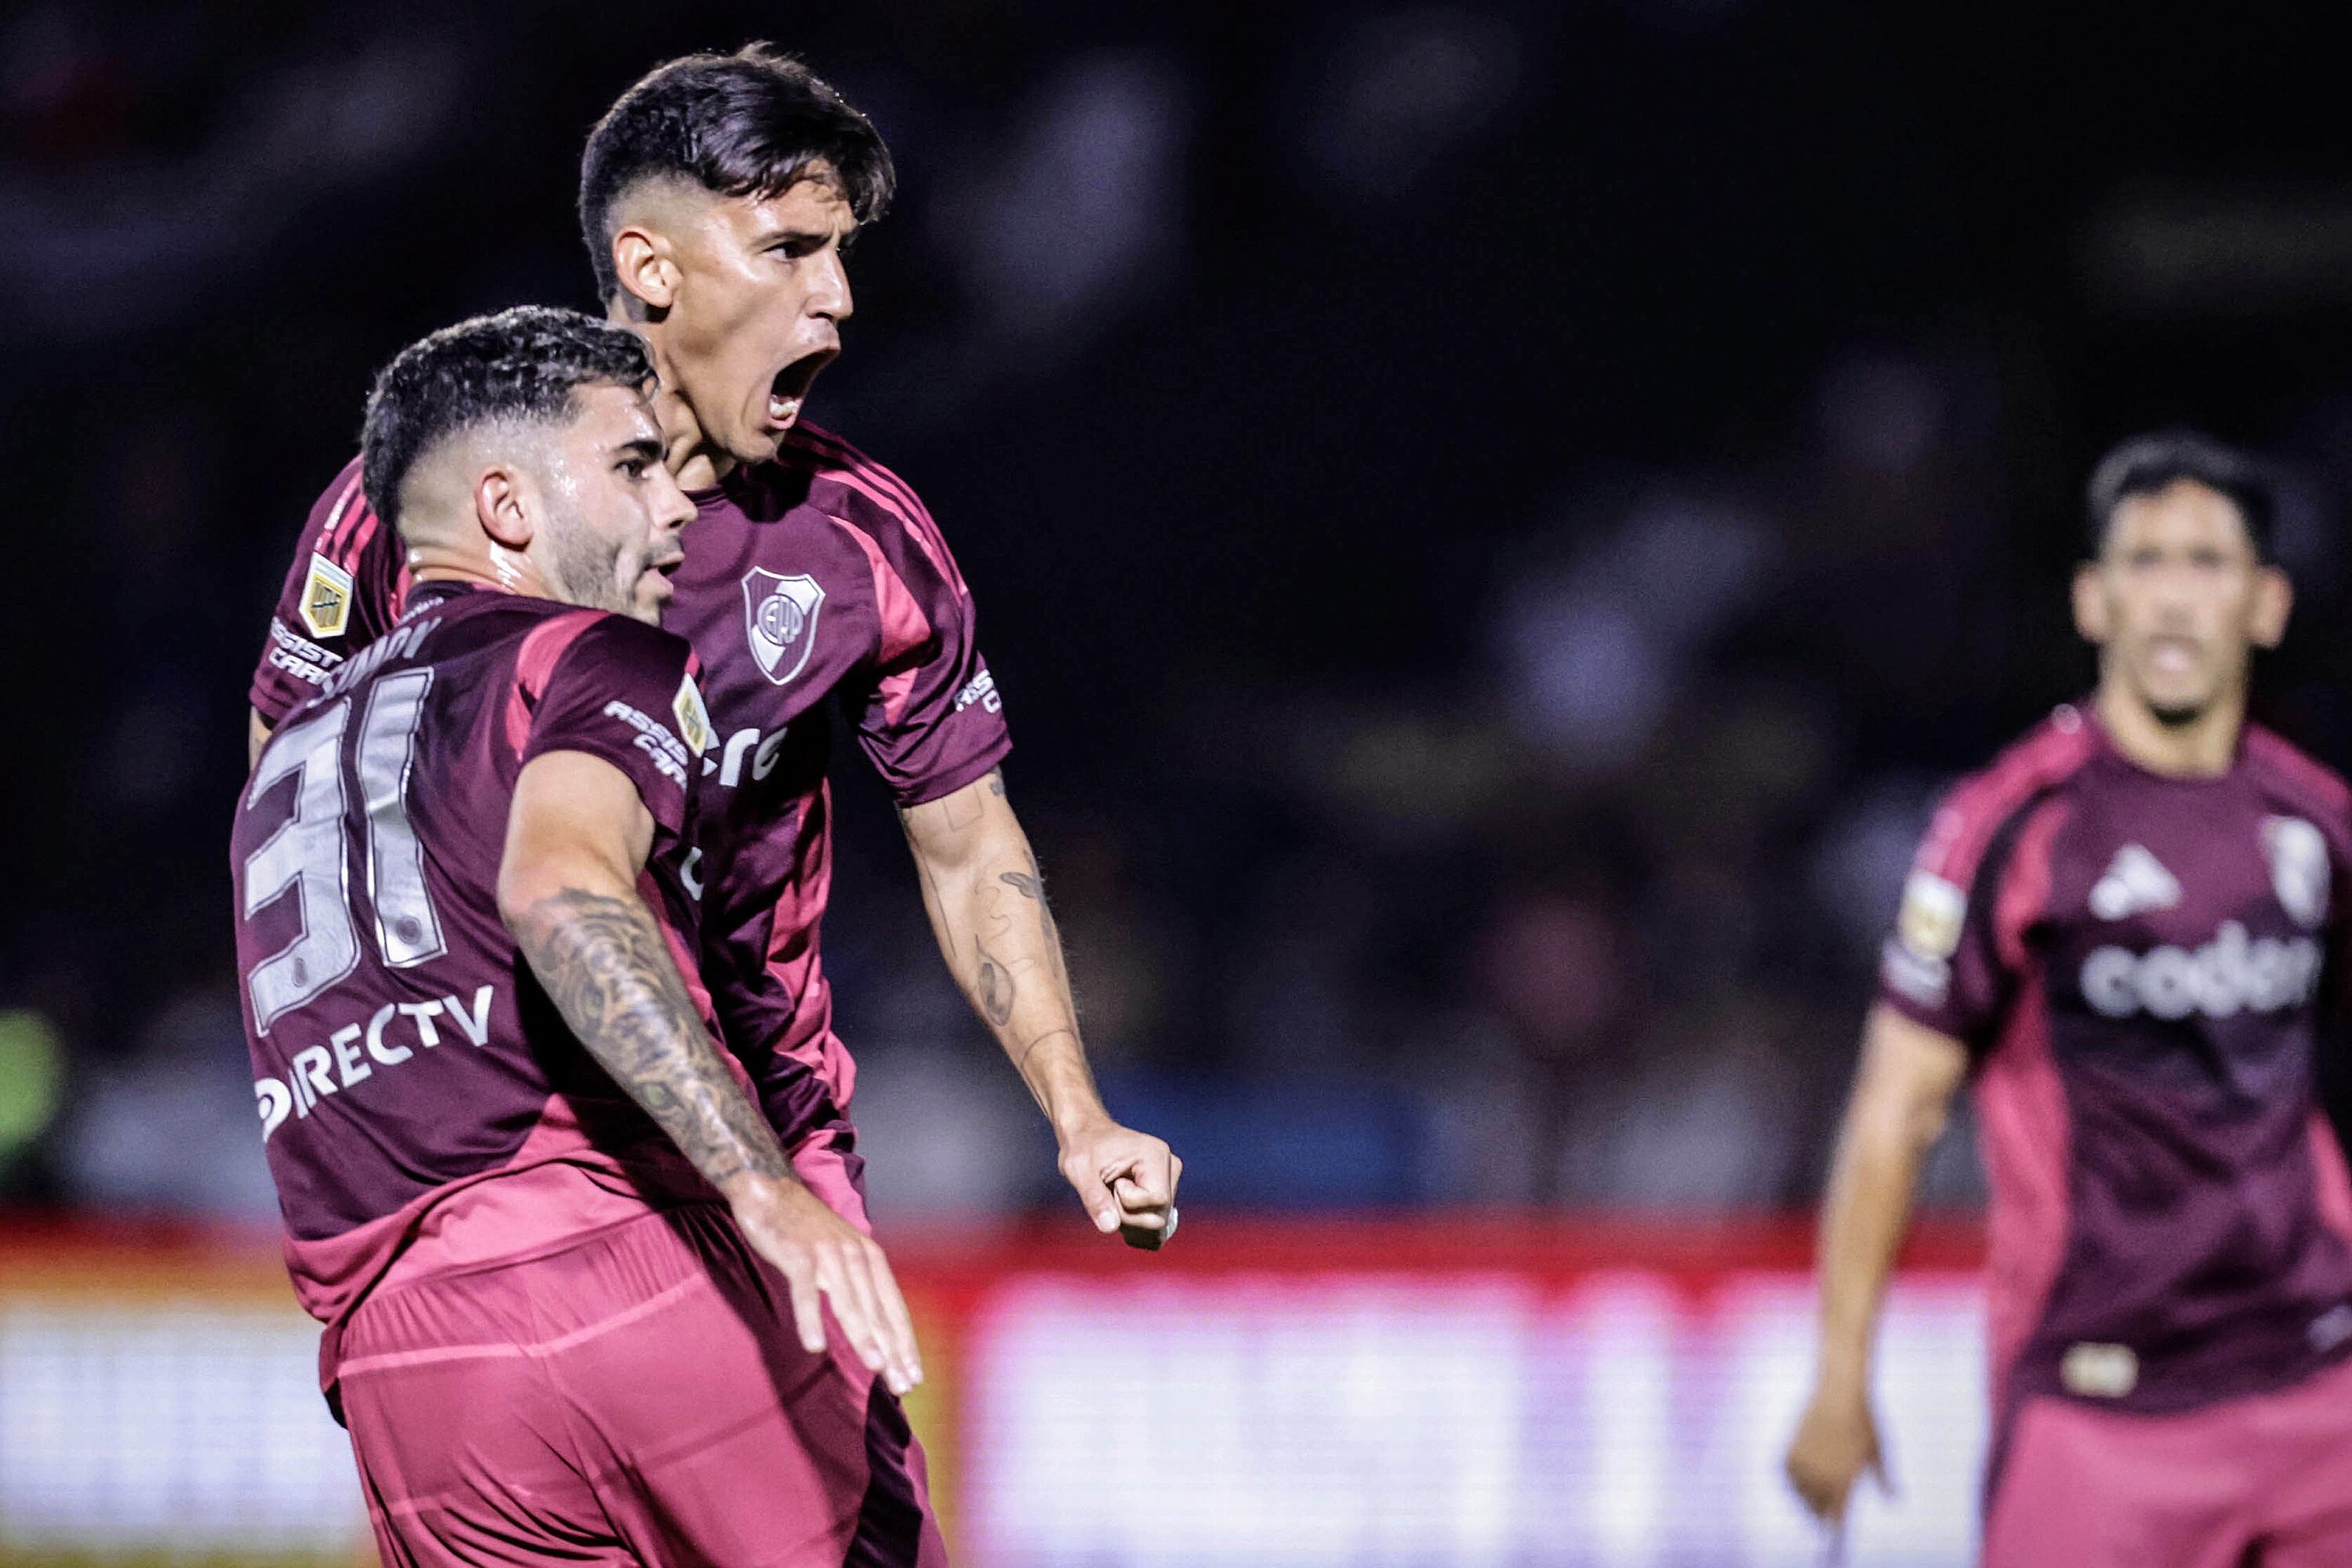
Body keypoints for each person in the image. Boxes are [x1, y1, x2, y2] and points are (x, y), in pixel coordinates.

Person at [246, 49, 1178, 1252]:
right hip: (483, 1155)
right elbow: (290, 782)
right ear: (649, 266)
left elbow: (966, 843)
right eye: (791, 250)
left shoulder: (858, 543)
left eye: (841, 253)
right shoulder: (427, 493)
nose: (837, 297)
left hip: (762, 1140)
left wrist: (1078, 1115)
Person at [235, 306, 942, 1565]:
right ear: (506, 508)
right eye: (631, 466)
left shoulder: (287, 755)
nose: (676, 505)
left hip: (413, 1371)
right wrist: (761, 1181)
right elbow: (562, 894)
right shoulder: (590, 656)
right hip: (633, 1270)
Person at [1784, 430, 2352, 1564]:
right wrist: (1840, 1381)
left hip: (2317, 1394)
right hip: (2101, 1406)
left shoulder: (2316, 822)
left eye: (2208, 562)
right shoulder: (2011, 830)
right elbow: (1894, 1112)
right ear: (2093, 602)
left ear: (2269, 604)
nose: (2175, 599)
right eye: (2144, 563)